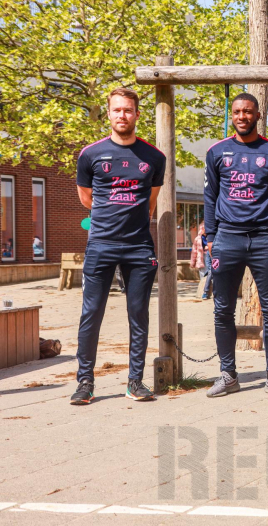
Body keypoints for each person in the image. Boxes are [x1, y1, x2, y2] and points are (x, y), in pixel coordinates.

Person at [71, 87, 165, 405]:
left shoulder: (154, 157)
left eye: (128, 110)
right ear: (108, 113)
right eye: (117, 110)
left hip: (139, 246)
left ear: (137, 114)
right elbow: (87, 199)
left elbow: (150, 203)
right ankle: (85, 382)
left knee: (138, 314)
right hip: (100, 244)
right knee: (91, 313)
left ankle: (135, 381)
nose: (122, 115)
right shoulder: (90, 155)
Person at [203, 93, 268, 399]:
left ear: (257, 115)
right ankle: (228, 375)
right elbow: (210, 197)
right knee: (222, 309)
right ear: (232, 115)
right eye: (237, 111)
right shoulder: (217, 152)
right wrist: (211, 238)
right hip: (227, 237)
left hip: (264, 238)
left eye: (248, 111)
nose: (242, 116)